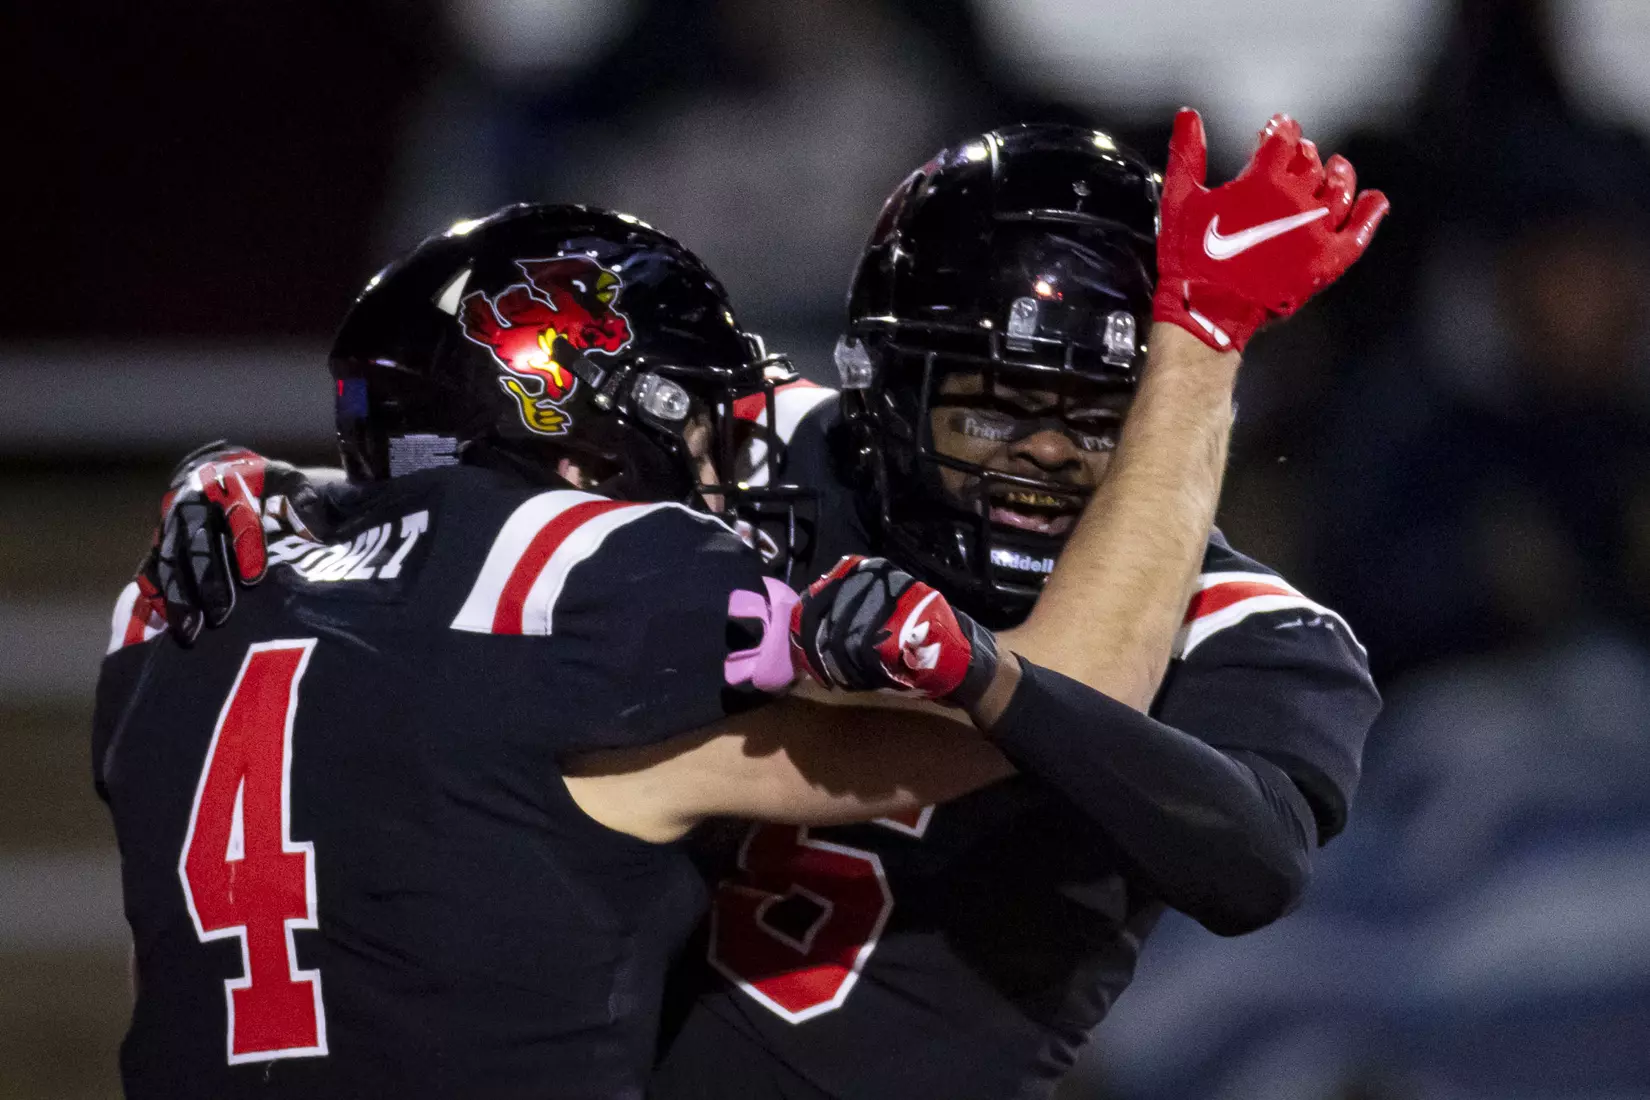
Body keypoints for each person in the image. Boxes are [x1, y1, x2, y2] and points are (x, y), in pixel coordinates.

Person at [126, 111, 1386, 1099]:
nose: (1043, 458)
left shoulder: (1257, 630)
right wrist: (268, 483)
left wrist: (990, 677)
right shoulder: (781, 445)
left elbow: (1251, 857)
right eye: (989, 407)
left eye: (1101, 426)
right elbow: (493, 461)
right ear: (887, 386)